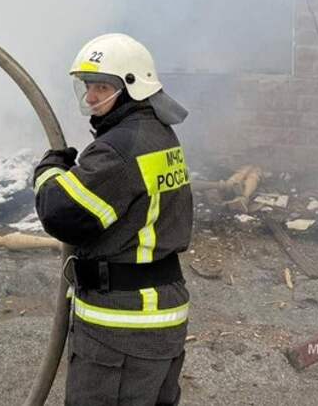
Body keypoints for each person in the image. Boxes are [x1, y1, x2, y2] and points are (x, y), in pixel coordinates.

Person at [34, 33, 193, 406]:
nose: (91, 97)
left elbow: (60, 213)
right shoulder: (159, 135)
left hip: (121, 327)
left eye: (102, 87)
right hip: (159, 314)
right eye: (88, 86)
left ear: (133, 88)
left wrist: (49, 169)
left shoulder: (119, 149)